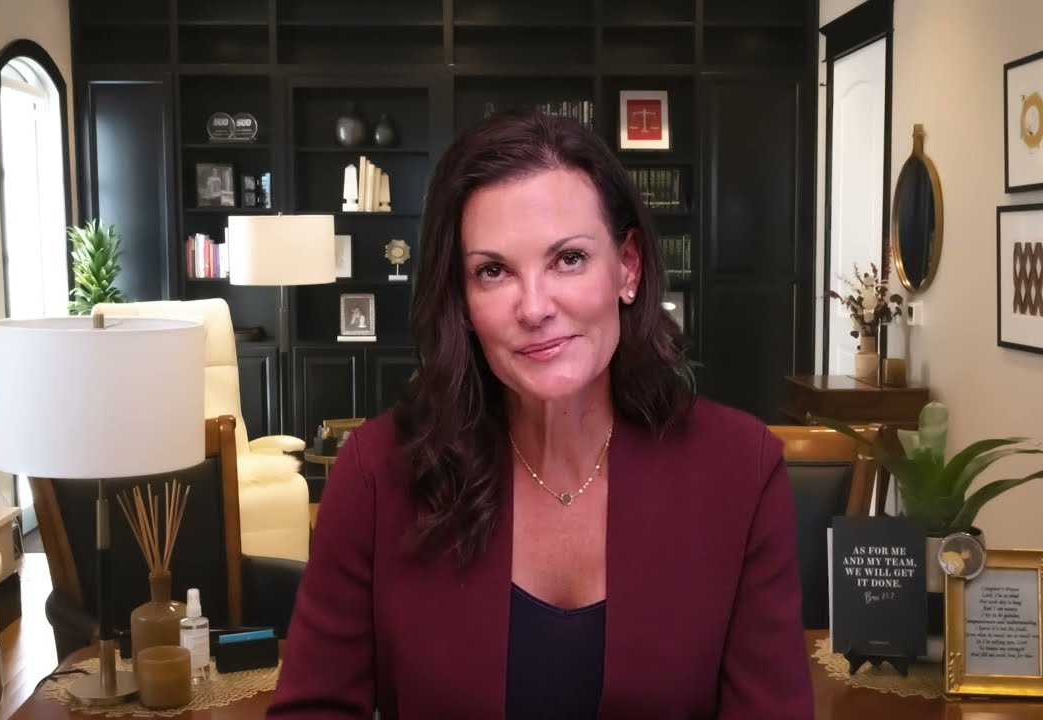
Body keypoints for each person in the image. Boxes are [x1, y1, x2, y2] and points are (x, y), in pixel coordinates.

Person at [268, 110, 813, 719]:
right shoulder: (375, 476)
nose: (534, 307)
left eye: (569, 259)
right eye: (493, 271)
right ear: (463, 300)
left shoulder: (740, 468)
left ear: (627, 268)